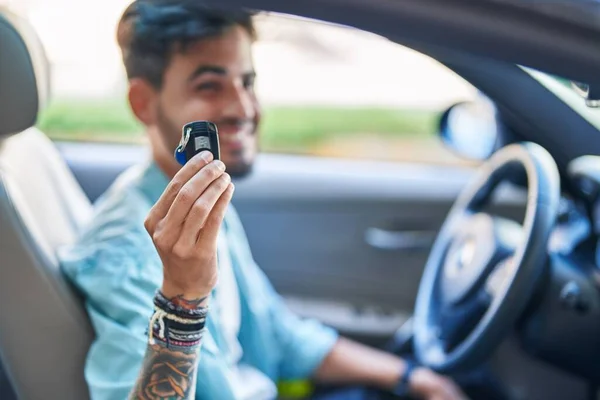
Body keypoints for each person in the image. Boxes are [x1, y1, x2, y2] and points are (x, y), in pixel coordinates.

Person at [58, 1, 468, 399]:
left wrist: (413, 378)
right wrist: (182, 298)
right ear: (143, 102)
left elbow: (275, 332)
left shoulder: (199, 194)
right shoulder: (124, 257)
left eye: (247, 82)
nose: (244, 108)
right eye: (209, 86)